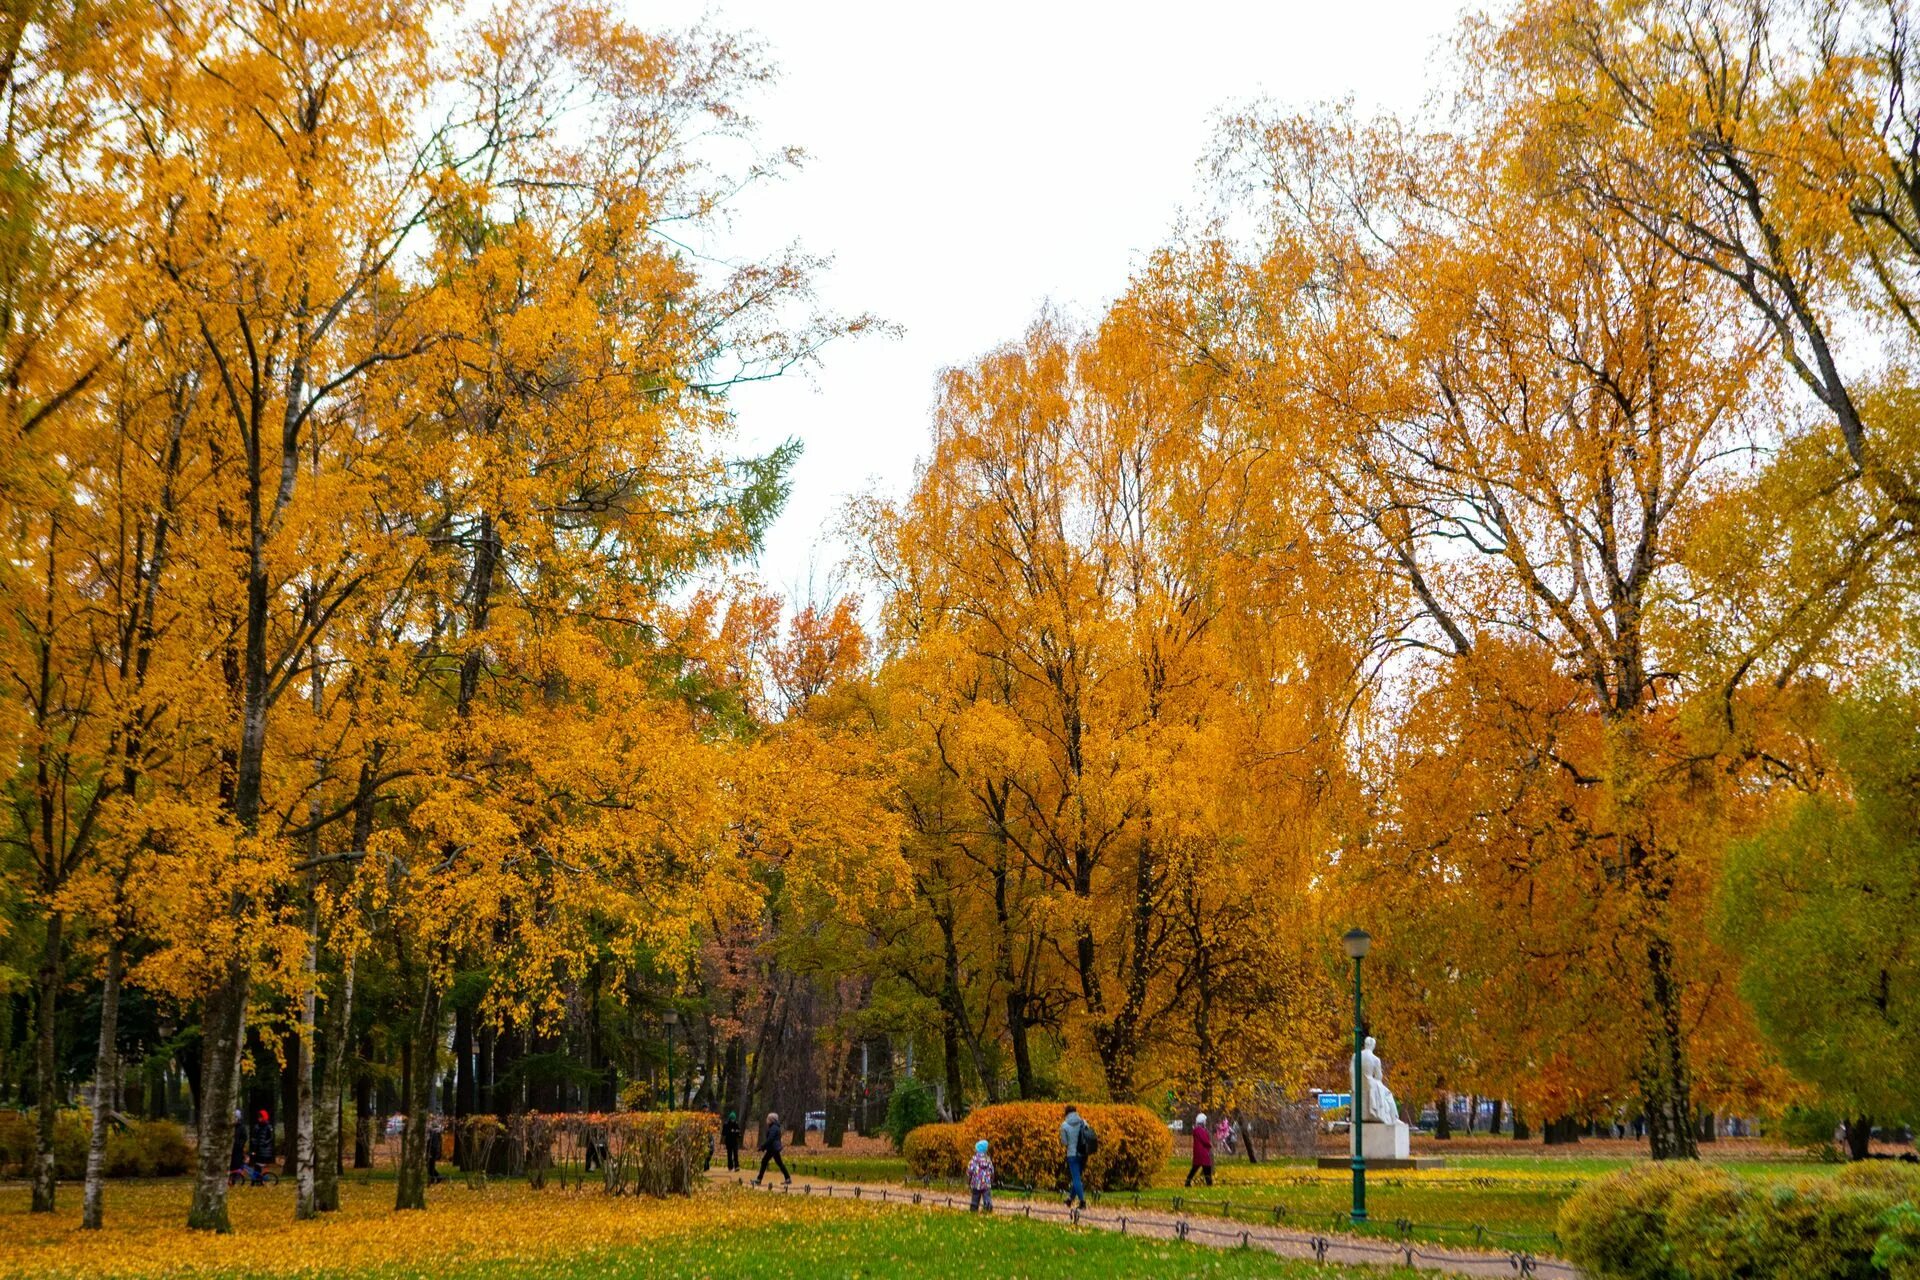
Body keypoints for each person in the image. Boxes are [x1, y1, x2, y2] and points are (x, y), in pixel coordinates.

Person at [1059, 1105, 1091, 1210]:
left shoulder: (1064, 1125)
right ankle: (1070, 1199)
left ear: (1066, 1113)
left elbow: (1064, 1142)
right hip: (1083, 1154)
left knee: (1076, 1178)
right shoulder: (1083, 1122)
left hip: (1072, 1155)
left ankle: (1082, 1202)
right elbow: (1088, 1136)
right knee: (1077, 1178)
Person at [753, 1110, 790, 1186]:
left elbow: (770, 1139)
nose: (766, 1120)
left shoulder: (773, 1128)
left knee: (764, 1161)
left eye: (768, 1119)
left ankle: (759, 1180)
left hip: (773, 1148)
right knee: (779, 1163)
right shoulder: (774, 1127)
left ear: (771, 1120)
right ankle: (788, 1178)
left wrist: (762, 1147)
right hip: (774, 1148)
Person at [1186, 1111, 1215, 1187]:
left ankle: (1188, 1181)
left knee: (1195, 1167)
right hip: (1203, 1151)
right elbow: (1205, 1141)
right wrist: (1209, 1144)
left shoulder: (1196, 1130)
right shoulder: (1201, 1131)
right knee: (1207, 1167)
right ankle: (1209, 1183)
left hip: (1197, 1151)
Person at [966, 1139, 995, 1213]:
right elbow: (992, 1171)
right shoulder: (988, 1159)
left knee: (975, 1197)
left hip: (976, 1183)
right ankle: (988, 1210)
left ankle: (973, 1210)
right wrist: (991, 1180)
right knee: (987, 1197)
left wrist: (968, 1181)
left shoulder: (974, 1159)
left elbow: (970, 1171)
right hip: (986, 1183)